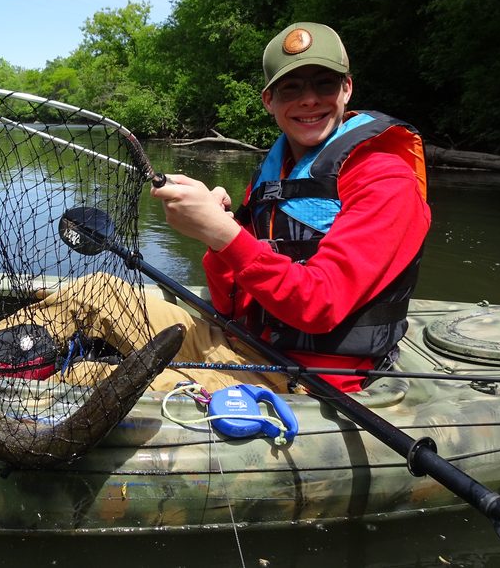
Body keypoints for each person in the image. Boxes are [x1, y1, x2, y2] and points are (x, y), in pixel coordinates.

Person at [150, 22, 430, 392]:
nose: (309, 99)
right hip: (247, 346)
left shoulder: (386, 180)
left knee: (87, 380)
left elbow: (320, 304)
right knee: (92, 294)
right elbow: (231, 304)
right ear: (270, 100)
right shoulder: (273, 176)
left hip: (312, 380)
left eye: (324, 83)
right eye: (291, 87)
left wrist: (222, 233)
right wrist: (218, 233)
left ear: (347, 89)